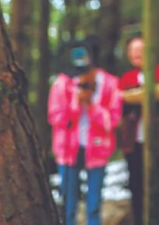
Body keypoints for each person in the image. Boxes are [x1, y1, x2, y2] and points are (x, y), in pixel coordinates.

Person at [48, 38, 122, 225]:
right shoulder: (62, 83)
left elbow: (113, 121)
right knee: (68, 204)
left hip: (97, 149)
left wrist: (91, 104)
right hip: (67, 150)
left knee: (94, 204)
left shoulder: (110, 84)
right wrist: (76, 101)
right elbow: (56, 118)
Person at [118, 34, 159, 225]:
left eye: (140, 50)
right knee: (136, 185)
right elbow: (119, 106)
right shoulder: (127, 79)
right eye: (132, 51)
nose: (136, 54)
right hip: (134, 142)